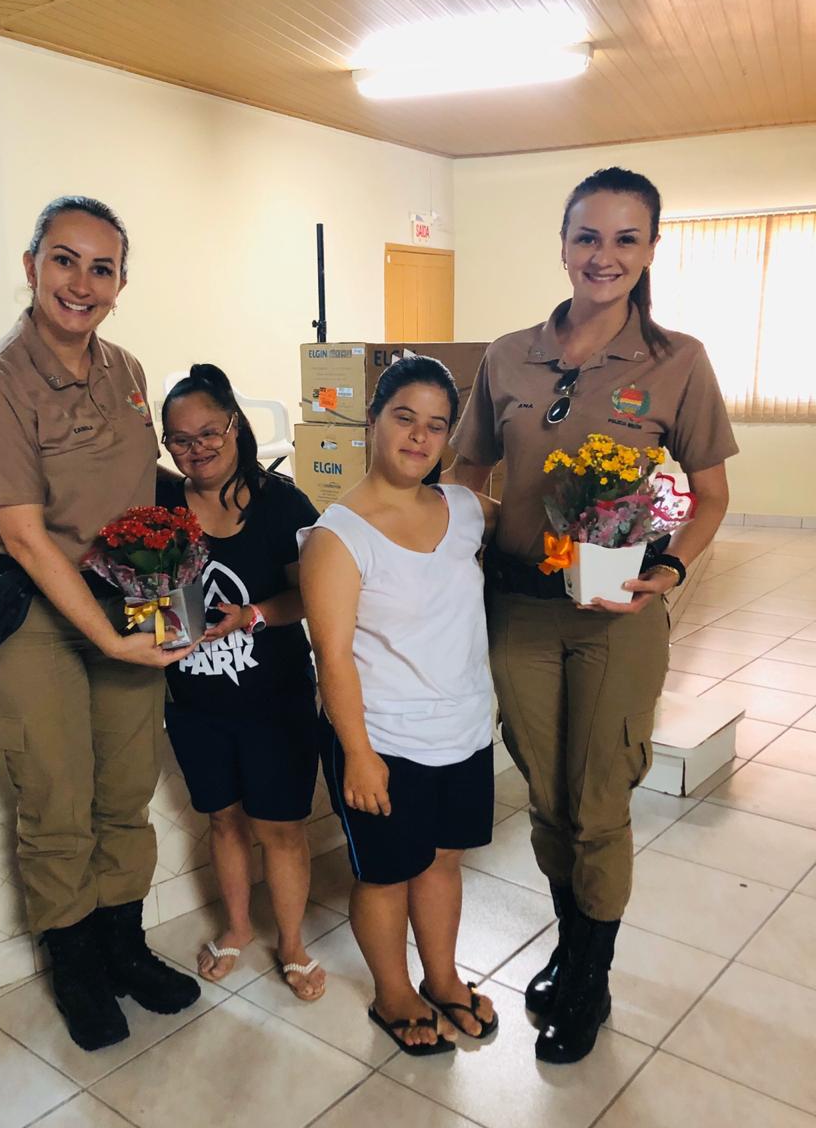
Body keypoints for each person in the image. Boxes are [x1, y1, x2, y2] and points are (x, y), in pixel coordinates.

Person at [447, 166, 738, 1064]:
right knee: (545, 793)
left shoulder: (677, 361)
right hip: (521, 611)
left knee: (599, 798)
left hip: (617, 615)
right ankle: (571, 944)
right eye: (587, 237)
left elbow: (712, 494)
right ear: (563, 243)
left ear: (651, 249)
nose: (602, 256)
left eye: (624, 239)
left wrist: (672, 567)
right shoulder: (508, 354)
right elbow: (466, 469)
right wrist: (478, 530)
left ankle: (590, 975)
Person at [0, 196, 201, 1052]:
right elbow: (20, 529)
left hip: (127, 605)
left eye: (102, 267)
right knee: (57, 800)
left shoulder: (126, 369)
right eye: (65, 260)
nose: (81, 283)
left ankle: (124, 947)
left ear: (122, 283)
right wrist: (104, 635)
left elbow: (138, 483)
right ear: (31, 267)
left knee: (124, 795)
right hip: (39, 620)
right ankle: (79, 968)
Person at [299, 356, 500, 1054]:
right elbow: (333, 659)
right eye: (404, 418)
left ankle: (443, 978)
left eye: (436, 425)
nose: (419, 437)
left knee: (442, 862)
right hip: (383, 739)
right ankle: (394, 994)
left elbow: (540, 537)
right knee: (386, 876)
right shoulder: (338, 537)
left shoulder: (466, 510)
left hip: (464, 729)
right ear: (373, 422)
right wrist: (357, 753)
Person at [158, 365, 326, 1001]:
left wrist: (252, 615)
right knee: (224, 822)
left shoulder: (283, 502)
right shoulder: (160, 508)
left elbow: (308, 595)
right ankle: (236, 926)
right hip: (196, 701)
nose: (197, 449)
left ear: (235, 427)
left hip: (274, 698)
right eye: (180, 439)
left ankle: (291, 941)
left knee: (281, 826)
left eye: (209, 432)